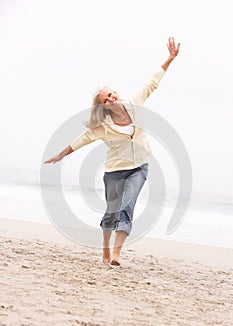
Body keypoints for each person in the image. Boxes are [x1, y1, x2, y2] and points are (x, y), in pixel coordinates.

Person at [44, 37, 180, 266]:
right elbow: (83, 140)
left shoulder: (134, 103)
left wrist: (170, 58)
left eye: (111, 94)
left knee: (127, 206)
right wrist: (61, 154)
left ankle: (116, 254)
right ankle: (105, 249)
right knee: (111, 212)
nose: (111, 98)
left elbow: (152, 82)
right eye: (106, 99)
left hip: (139, 167)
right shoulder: (102, 127)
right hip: (115, 171)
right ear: (103, 106)